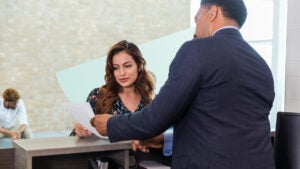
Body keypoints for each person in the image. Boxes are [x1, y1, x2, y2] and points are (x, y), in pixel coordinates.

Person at [90, 0, 276, 169]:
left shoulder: (196, 50)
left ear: (212, 13)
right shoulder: (261, 65)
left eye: (197, 19)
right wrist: (165, 140)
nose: (195, 29)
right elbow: (222, 124)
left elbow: (155, 118)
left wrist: (111, 124)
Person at [73, 40, 171, 166]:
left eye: (127, 66)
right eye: (116, 68)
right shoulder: (98, 95)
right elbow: (80, 138)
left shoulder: (151, 101)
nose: (122, 73)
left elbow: (159, 139)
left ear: (139, 66)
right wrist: (79, 130)